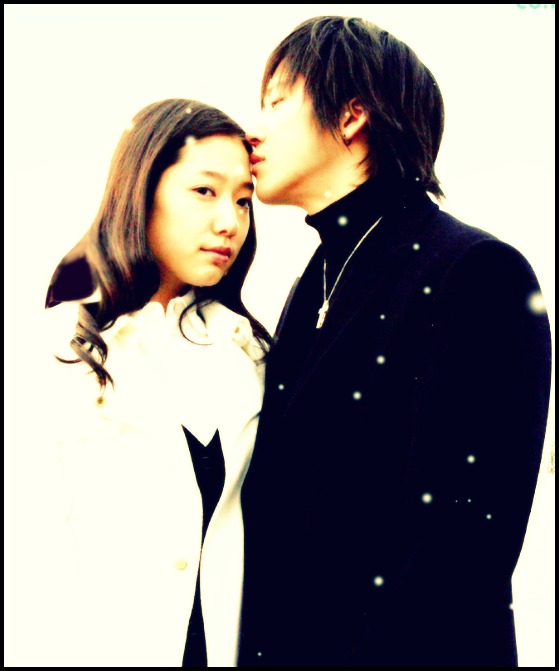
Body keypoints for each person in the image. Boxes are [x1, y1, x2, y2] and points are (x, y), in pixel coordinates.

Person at [238, 16, 552, 668]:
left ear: (351, 115)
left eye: (276, 102)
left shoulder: (476, 272)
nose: (252, 130)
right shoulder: (312, 283)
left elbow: (463, 549)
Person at [29, 98, 271, 667]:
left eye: (243, 200)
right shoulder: (55, 349)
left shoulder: (247, 352)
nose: (229, 221)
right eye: (205, 191)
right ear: (141, 190)